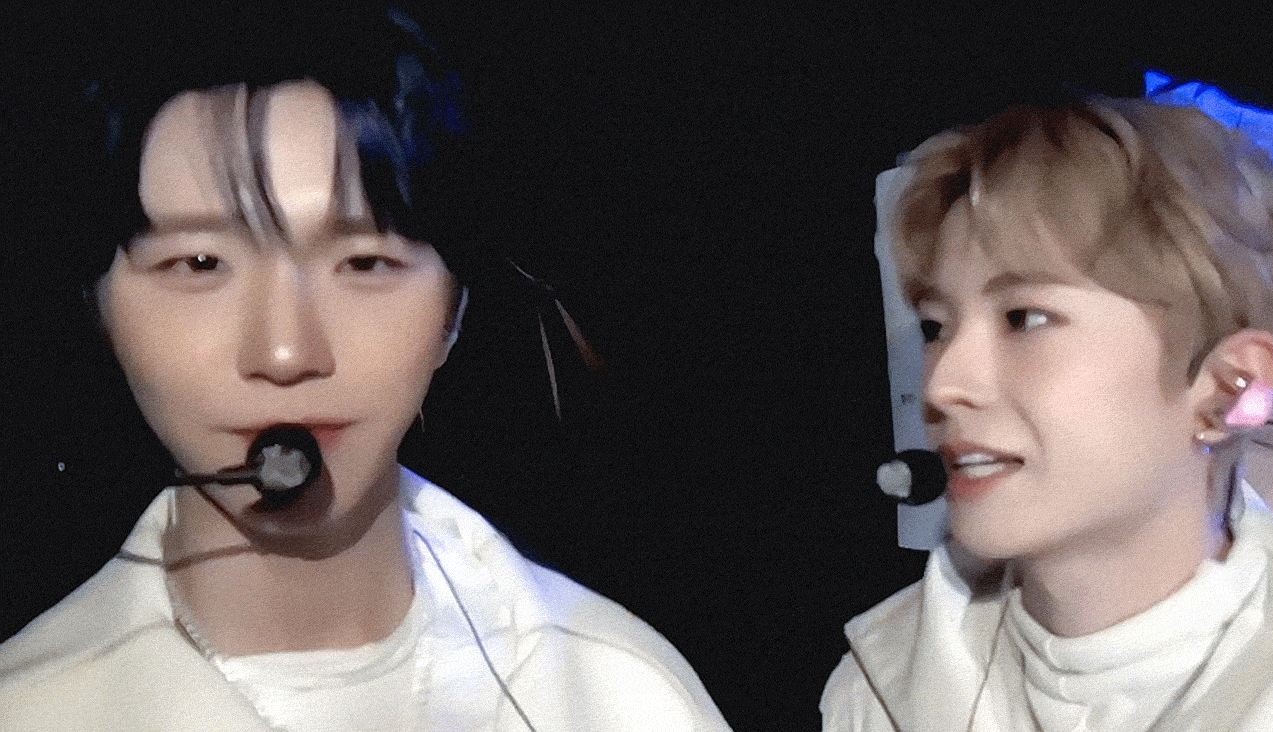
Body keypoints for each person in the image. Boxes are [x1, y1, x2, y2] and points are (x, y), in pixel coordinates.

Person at [0, 7, 730, 731]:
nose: (286, 354)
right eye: (200, 263)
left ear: (455, 311)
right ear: (97, 308)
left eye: (365, 263)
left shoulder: (624, 697)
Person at [822, 97, 1273, 731]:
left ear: (1229, 387)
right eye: (936, 326)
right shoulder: (876, 691)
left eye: (1024, 319)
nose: (941, 384)